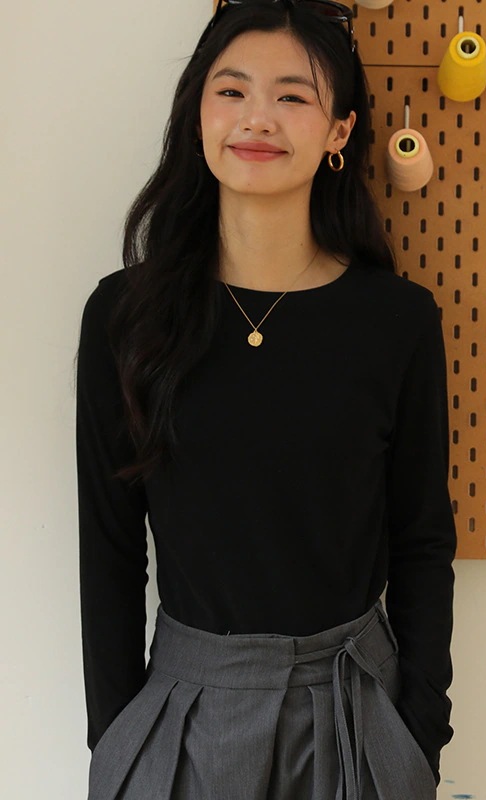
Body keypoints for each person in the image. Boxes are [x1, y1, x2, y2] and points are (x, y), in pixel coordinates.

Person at [75, 1, 456, 798]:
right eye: (232, 90)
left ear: (340, 132)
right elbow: (109, 547)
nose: (258, 118)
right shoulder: (126, 314)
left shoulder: (397, 321)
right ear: (197, 114)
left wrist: (419, 733)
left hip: (357, 716)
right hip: (180, 722)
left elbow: (422, 539)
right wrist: (114, 739)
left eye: (292, 96)